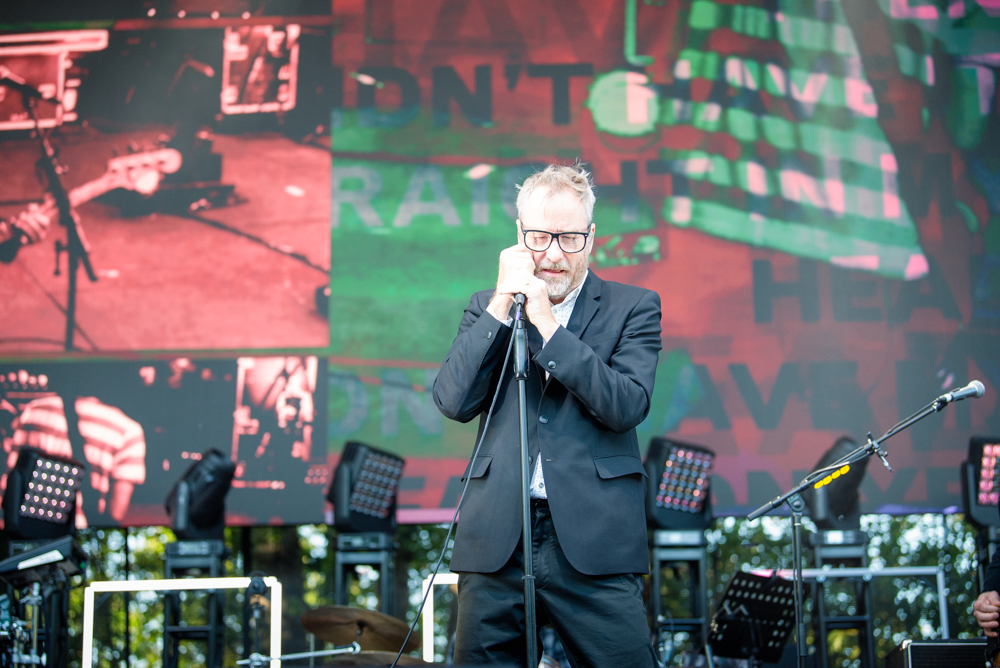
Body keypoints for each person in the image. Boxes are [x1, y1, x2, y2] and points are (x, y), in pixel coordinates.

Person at [432, 163, 662, 667]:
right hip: (497, 535)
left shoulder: (633, 307)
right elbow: (452, 400)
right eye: (540, 237)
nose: (554, 254)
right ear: (518, 236)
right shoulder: (486, 308)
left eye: (570, 238)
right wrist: (502, 305)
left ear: (592, 237)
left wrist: (547, 327)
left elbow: (627, 405)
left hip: (592, 535)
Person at [2, 394, 147, 525]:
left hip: (26, 527)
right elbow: (116, 511)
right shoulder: (129, 431)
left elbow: (11, 483)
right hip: (76, 530)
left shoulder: (33, 410)